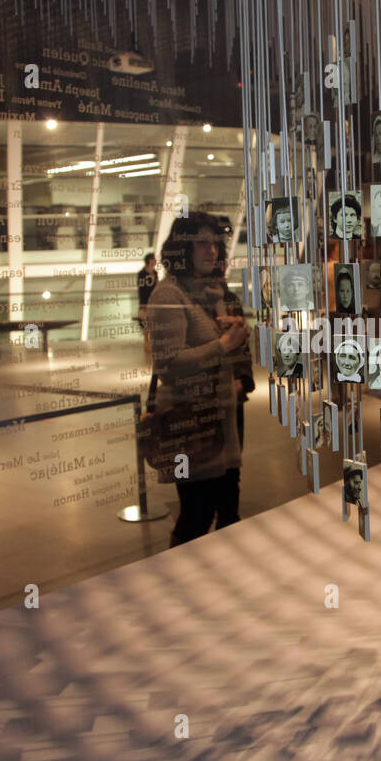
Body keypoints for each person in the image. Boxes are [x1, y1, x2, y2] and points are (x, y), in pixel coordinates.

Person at [148, 214, 251, 546]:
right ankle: (177, 586)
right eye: (201, 243)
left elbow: (221, 353)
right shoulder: (168, 295)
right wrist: (222, 345)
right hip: (189, 424)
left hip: (220, 418)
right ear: (182, 249)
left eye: (214, 244)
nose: (211, 251)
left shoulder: (214, 292)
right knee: (196, 517)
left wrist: (236, 338)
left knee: (228, 512)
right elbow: (168, 365)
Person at [136, 252, 159, 352]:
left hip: (154, 301)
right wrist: (143, 304)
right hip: (145, 302)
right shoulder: (141, 274)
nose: (155, 261)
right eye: (153, 259)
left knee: (153, 322)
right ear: (149, 260)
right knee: (145, 322)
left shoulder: (155, 273)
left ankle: (153, 343)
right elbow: (141, 290)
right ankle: (147, 343)